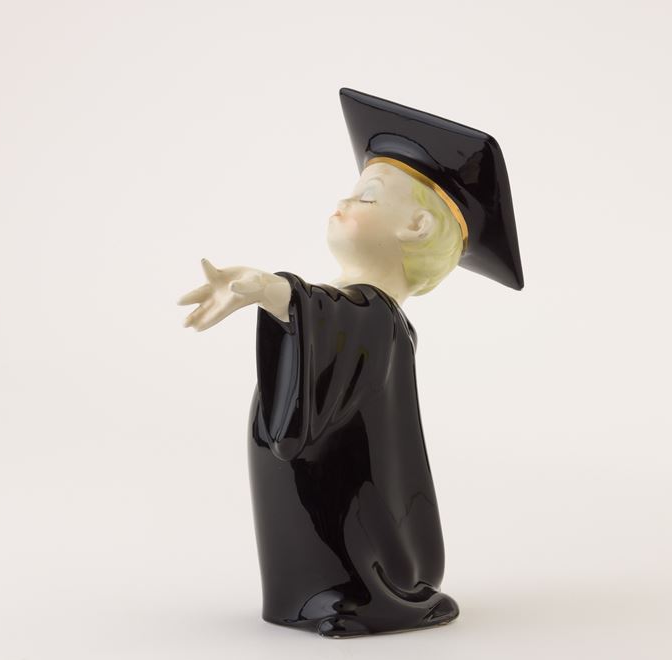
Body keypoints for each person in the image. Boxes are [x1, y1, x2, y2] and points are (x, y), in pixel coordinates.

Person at [178, 88, 523, 638]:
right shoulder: (358, 314)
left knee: (336, 512)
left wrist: (267, 287)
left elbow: (332, 313)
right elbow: (324, 313)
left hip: (344, 484)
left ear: (416, 226)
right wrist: (279, 298)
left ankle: (350, 593)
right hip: (310, 471)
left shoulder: (375, 317)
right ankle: (308, 594)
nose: (343, 201)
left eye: (368, 197)